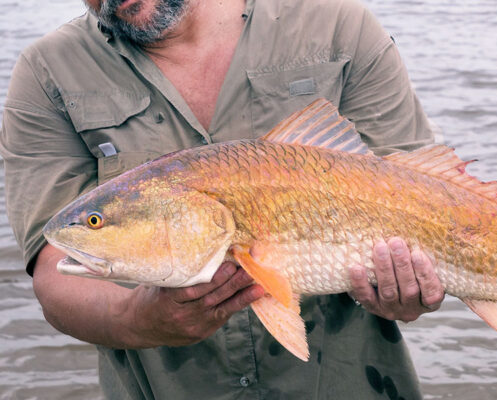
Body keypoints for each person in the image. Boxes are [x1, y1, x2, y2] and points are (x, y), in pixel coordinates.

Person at [0, 0, 445, 398]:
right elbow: (55, 270)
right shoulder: (48, 72)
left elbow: (432, 200)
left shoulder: (339, 28)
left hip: (352, 383)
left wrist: (407, 288)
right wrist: (136, 319)